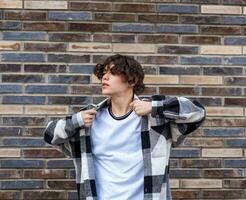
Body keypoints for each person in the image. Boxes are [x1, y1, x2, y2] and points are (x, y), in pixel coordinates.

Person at [43, 54, 206, 200]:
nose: (104, 77)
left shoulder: (154, 119)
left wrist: (154, 108)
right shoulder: (89, 118)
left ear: (132, 80)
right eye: (104, 72)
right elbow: (49, 135)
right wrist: (75, 121)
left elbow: (198, 113)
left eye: (112, 73)